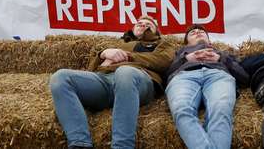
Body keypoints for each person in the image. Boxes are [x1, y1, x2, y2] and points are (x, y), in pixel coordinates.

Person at [49, 16, 175, 149]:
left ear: (156, 31)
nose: (143, 25)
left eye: (148, 24)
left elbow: (163, 61)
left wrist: (127, 56)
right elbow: (91, 70)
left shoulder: (162, 44)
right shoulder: (118, 44)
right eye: (139, 23)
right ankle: (80, 143)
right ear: (133, 28)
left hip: (139, 80)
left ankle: (122, 145)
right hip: (105, 81)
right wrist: (102, 54)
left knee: (125, 72)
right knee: (61, 77)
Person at [165, 25, 249, 149]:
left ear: (209, 40)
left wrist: (221, 59)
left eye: (201, 32)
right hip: (184, 77)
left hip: (218, 75)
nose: (198, 32)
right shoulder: (179, 53)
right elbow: (166, 74)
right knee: (181, 109)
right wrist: (185, 58)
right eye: (193, 32)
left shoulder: (223, 53)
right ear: (186, 42)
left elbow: (244, 77)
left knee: (221, 109)